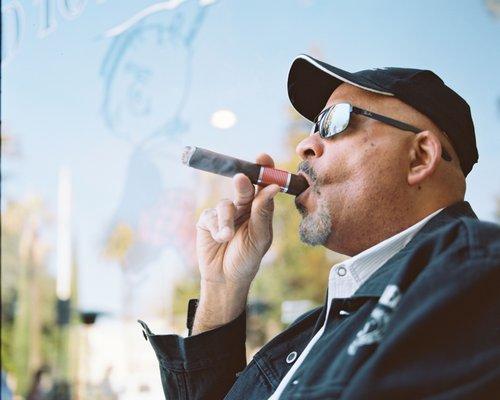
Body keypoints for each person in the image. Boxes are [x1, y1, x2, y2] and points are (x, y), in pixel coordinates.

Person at [139, 54, 500, 399]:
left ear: (419, 157)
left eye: (334, 122)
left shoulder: (477, 276)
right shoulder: (325, 325)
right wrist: (221, 290)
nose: (305, 145)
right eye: (313, 128)